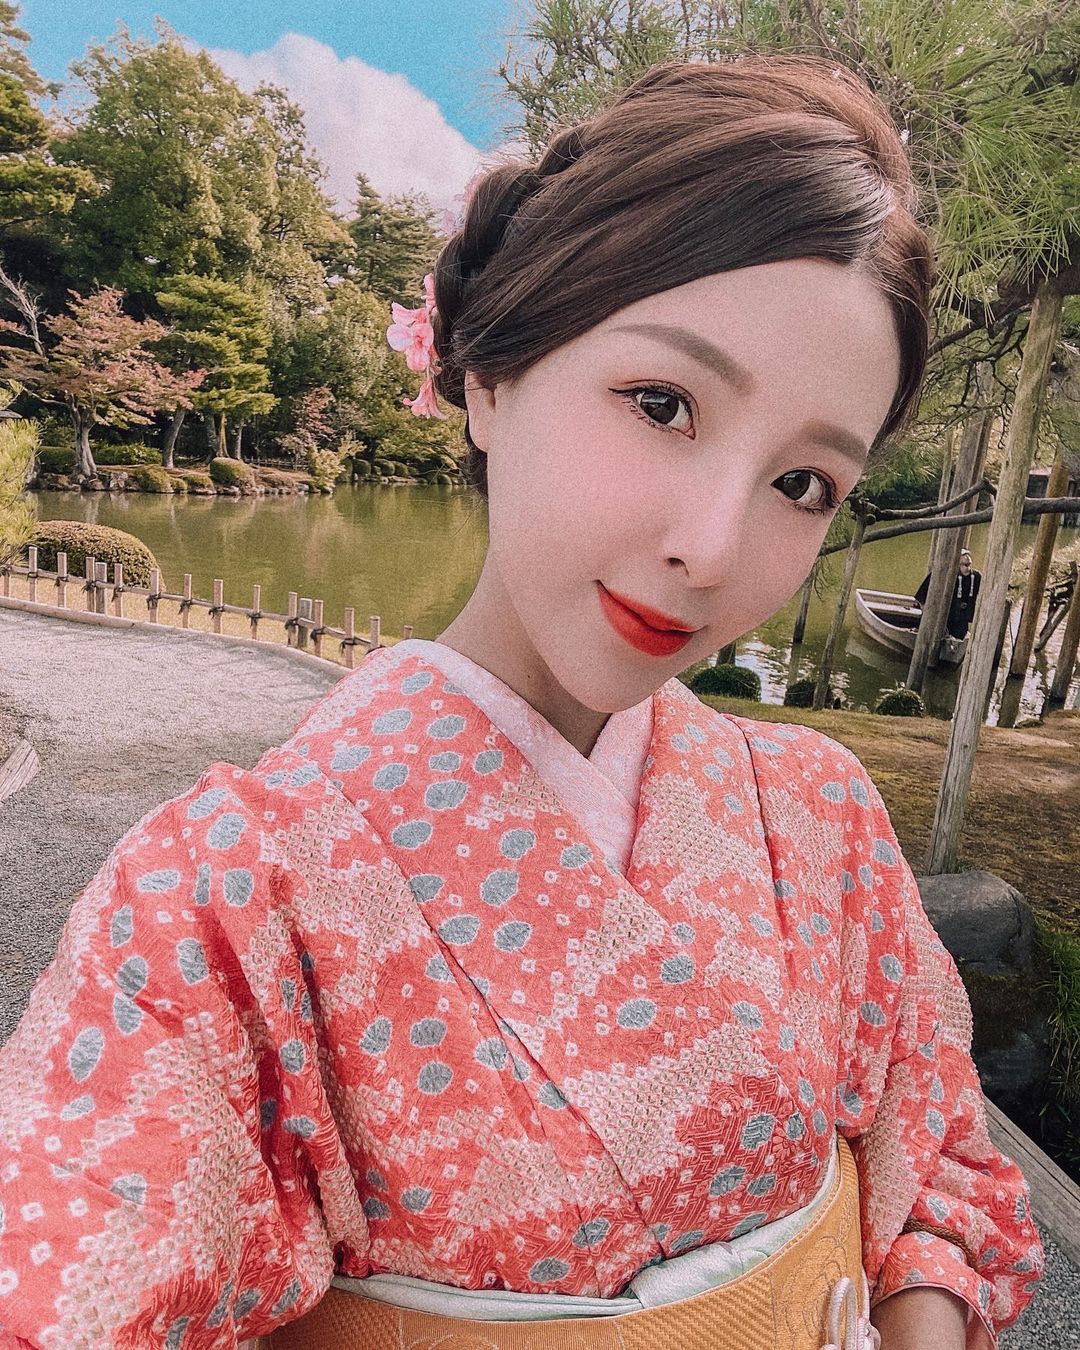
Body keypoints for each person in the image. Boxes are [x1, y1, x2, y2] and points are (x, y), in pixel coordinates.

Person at [0, 56, 1042, 1350]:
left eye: (804, 484)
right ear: (488, 373)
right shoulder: (226, 896)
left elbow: (932, 1164)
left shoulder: (822, 814)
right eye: (663, 403)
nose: (713, 548)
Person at [914, 550, 982, 640]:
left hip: (961, 620)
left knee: (959, 637)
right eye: (964, 564)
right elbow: (921, 596)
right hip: (943, 619)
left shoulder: (976, 577)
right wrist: (927, 616)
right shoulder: (942, 574)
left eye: (969, 564)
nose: (968, 568)